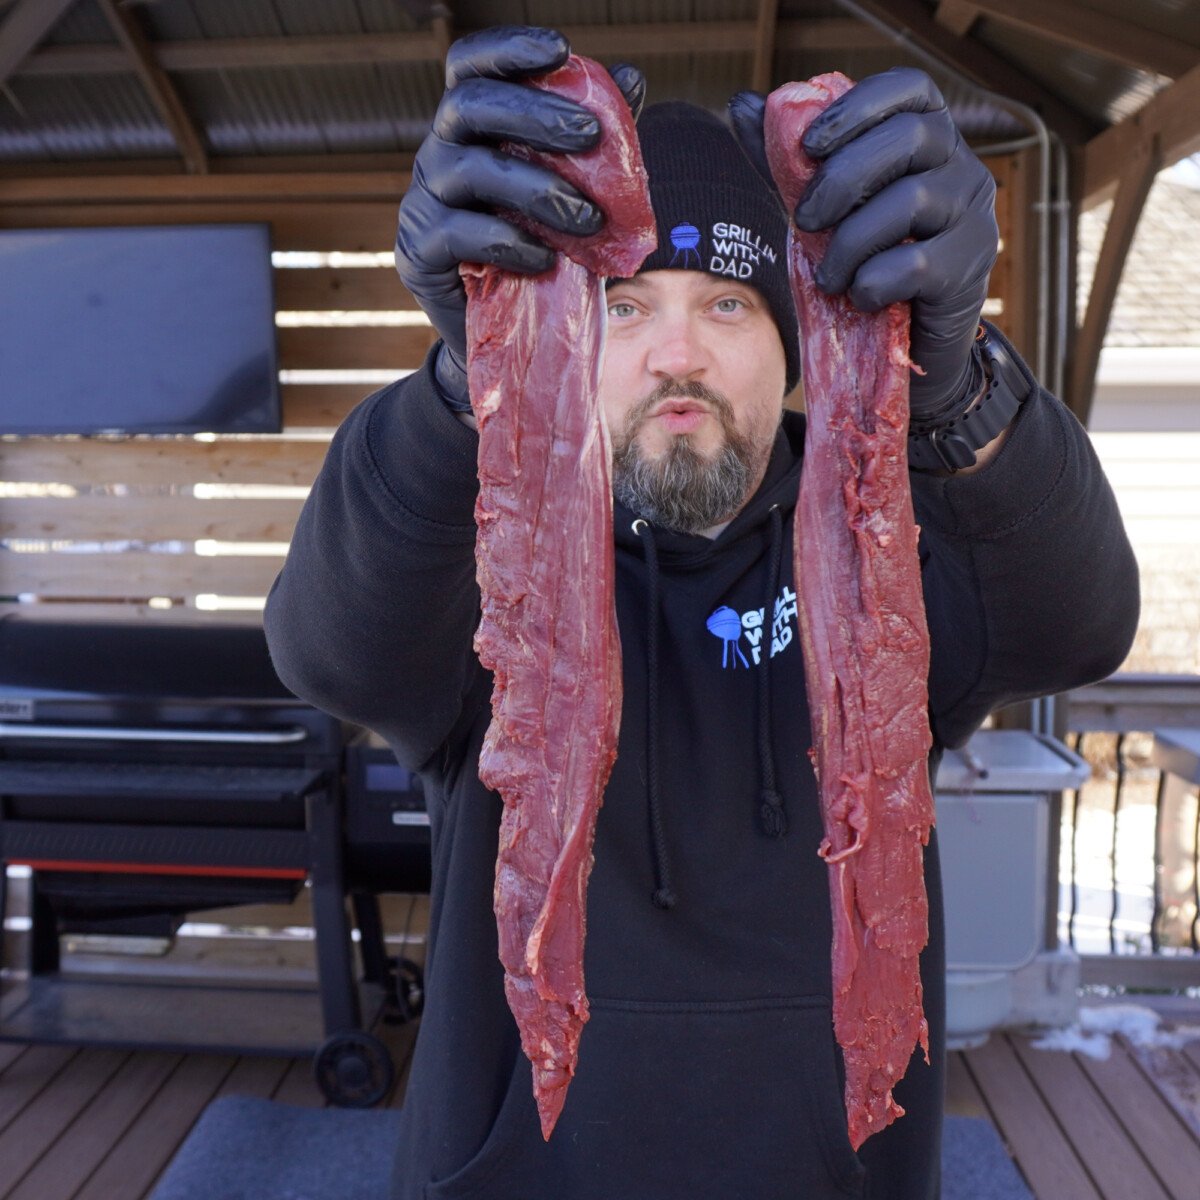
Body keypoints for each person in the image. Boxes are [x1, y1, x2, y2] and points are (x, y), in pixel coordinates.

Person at [264, 25, 1139, 1200]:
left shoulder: (888, 545)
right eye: (625, 307)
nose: (678, 354)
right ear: (574, 337)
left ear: (791, 341)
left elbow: (1074, 628)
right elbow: (329, 646)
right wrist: (466, 379)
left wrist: (962, 391)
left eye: (729, 304)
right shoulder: (493, 564)